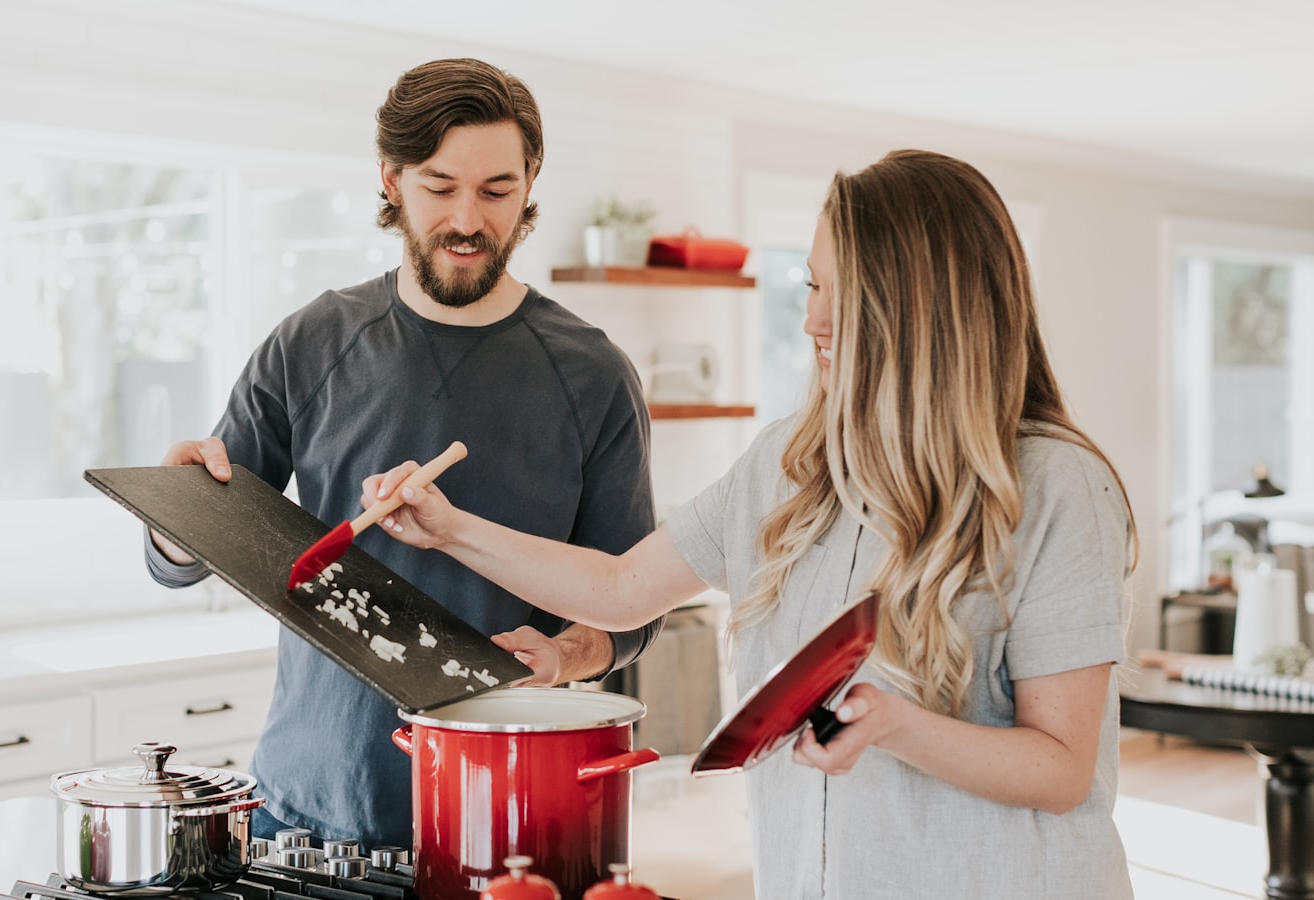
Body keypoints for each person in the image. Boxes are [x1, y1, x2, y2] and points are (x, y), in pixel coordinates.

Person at [365, 149, 1138, 898]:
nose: (813, 320)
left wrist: (895, 725)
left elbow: (1064, 768)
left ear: (923, 307)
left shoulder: (1056, 486)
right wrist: (449, 528)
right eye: (810, 286)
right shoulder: (788, 464)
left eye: (843, 294)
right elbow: (623, 586)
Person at [143, 57, 661, 852]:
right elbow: (192, 546)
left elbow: (632, 609)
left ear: (529, 186)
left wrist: (565, 654)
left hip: (507, 817)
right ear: (390, 179)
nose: (467, 219)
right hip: (304, 811)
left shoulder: (593, 375)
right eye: (439, 186)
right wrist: (176, 517)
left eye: (496, 191)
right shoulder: (310, 342)